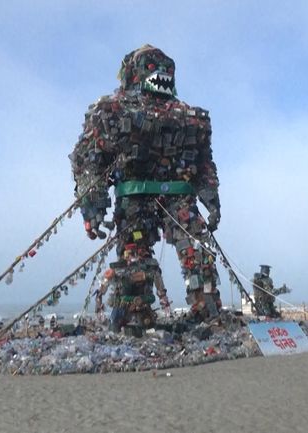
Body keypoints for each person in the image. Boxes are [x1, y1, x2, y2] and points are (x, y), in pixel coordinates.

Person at [71, 45, 222, 332]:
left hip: (178, 196)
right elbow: (88, 157)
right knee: (134, 257)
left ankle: (207, 312)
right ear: (132, 73)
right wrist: (93, 201)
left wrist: (210, 196)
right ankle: (134, 316)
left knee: (198, 252)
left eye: (165, 66)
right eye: (151, 66)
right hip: (134, 197)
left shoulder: (191, 117)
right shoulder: (110, 110)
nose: (161, 72)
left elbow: (203, 161)